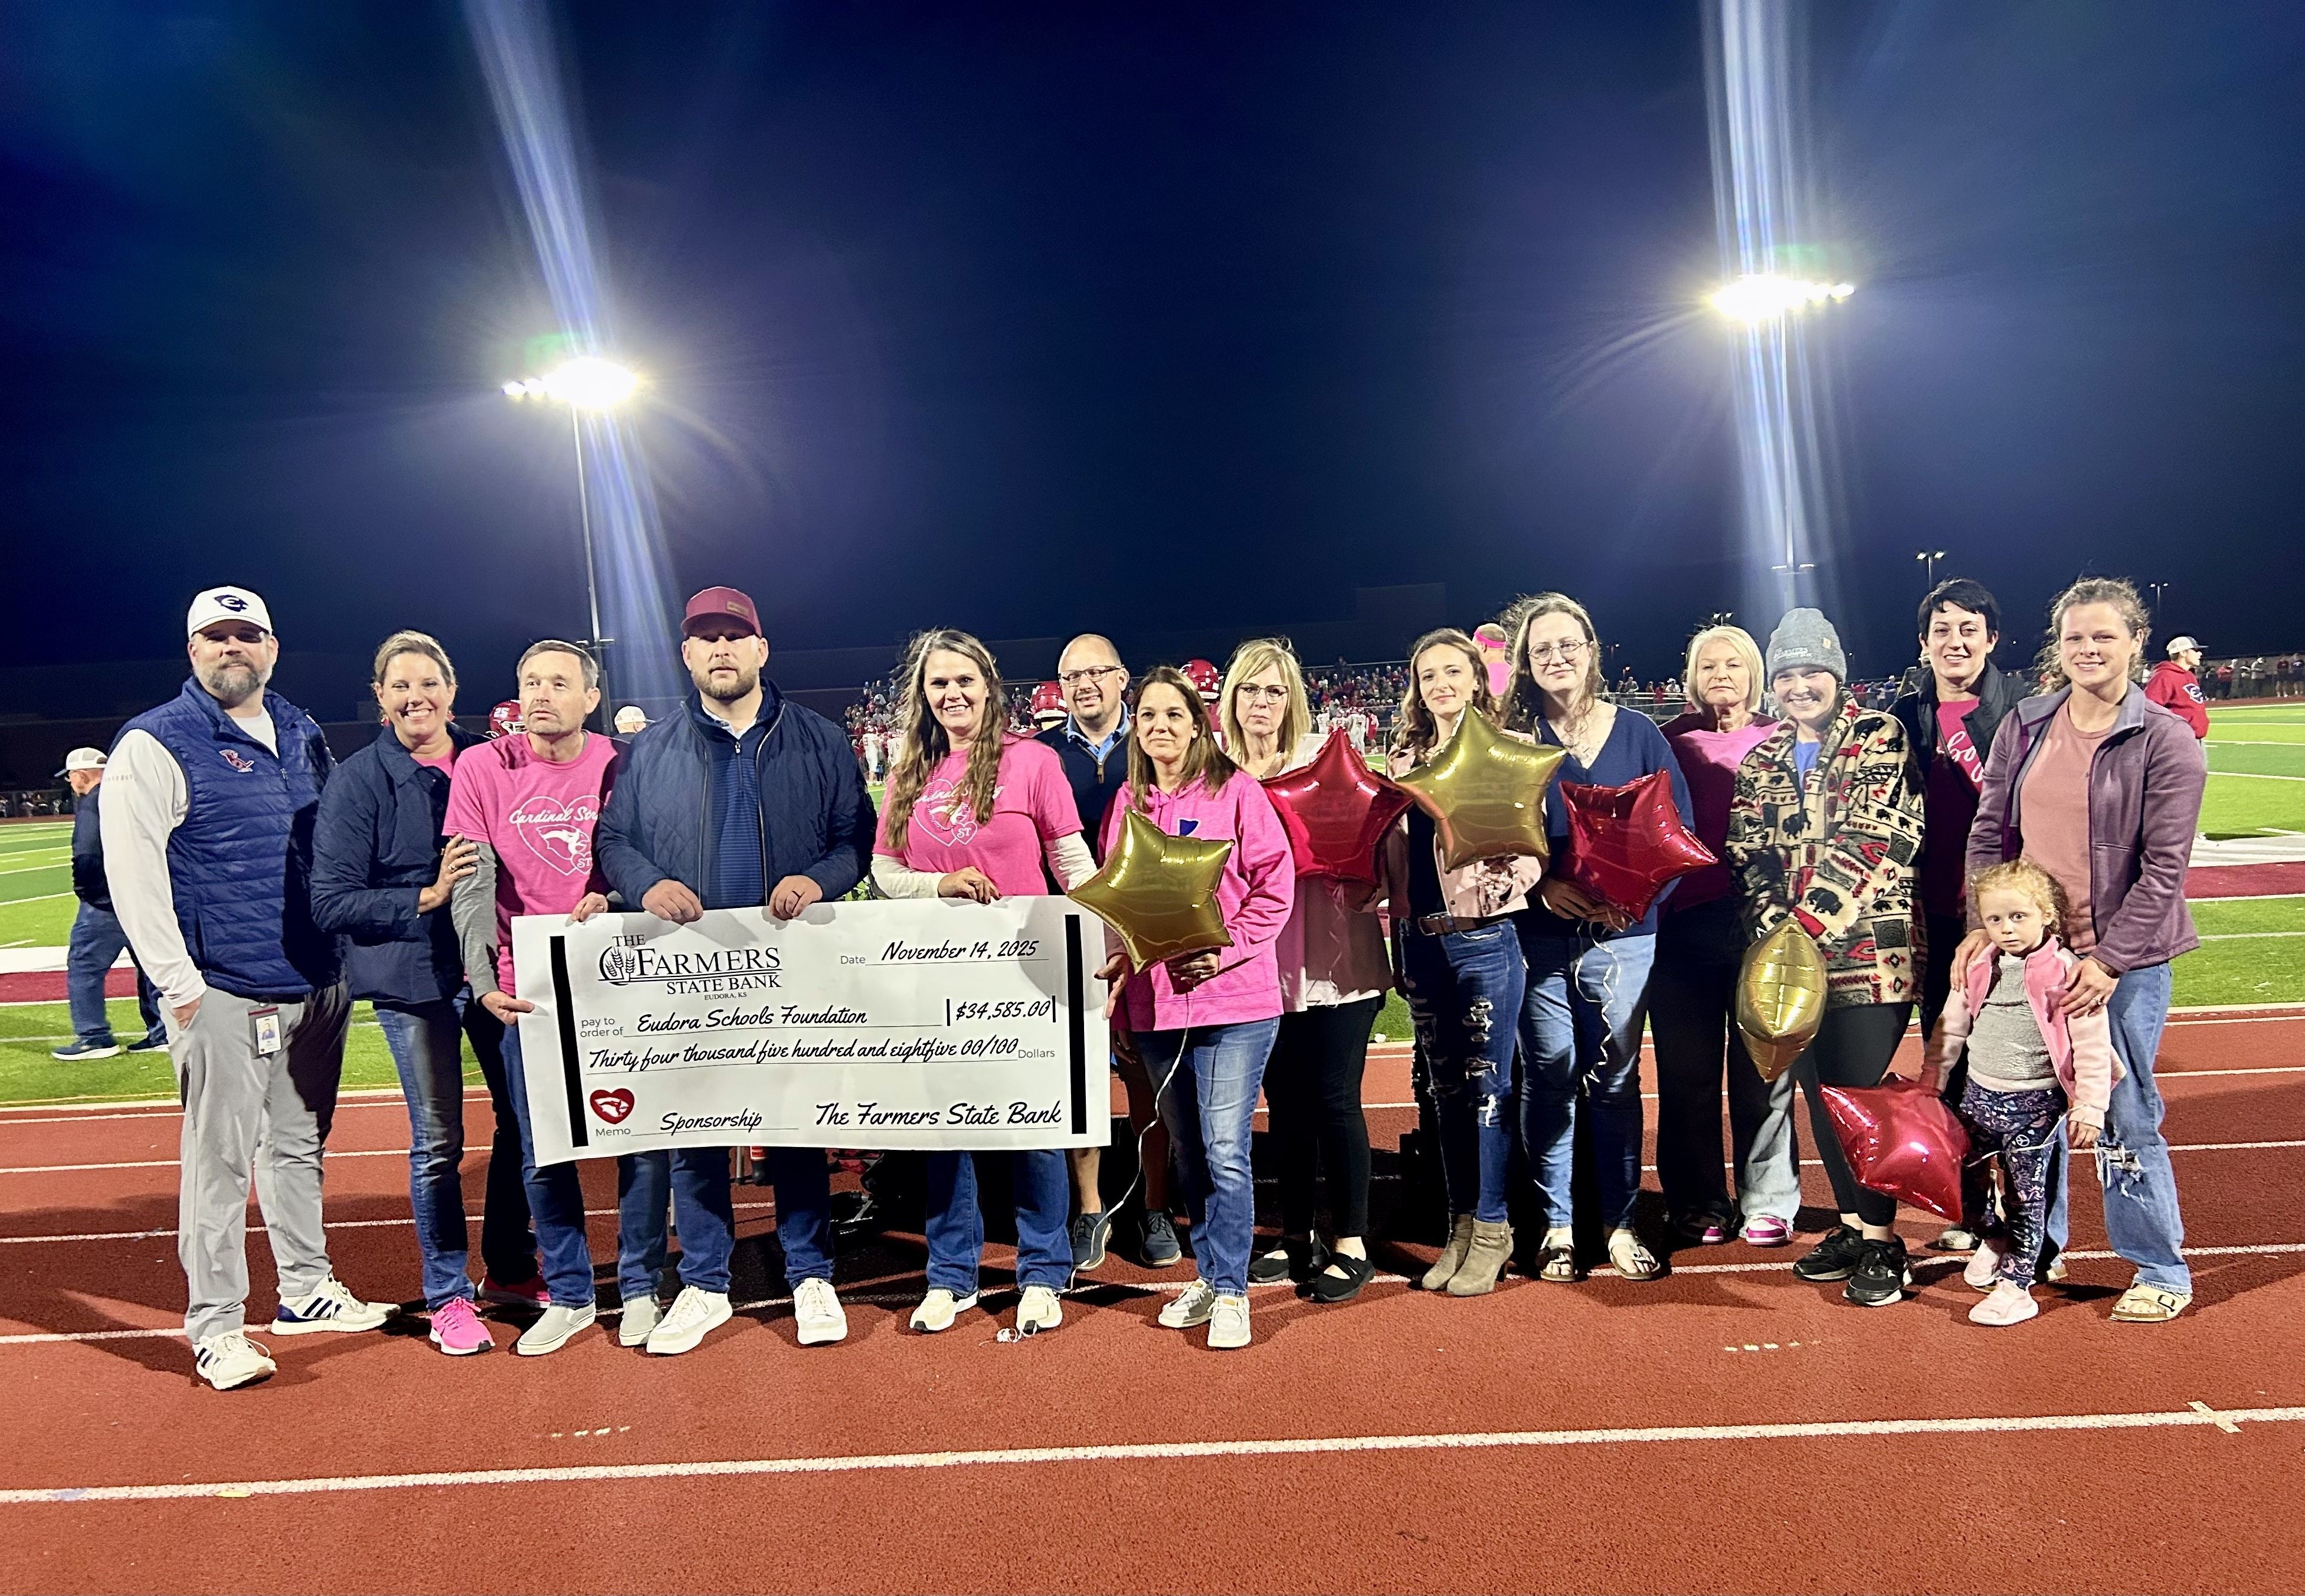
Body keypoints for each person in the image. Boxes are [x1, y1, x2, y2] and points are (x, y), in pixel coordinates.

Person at [103, 586, 390, 1391]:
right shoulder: (156, 742)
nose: (233, 648)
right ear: (192, 650)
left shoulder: (299, 729)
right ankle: (218, 1328)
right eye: (216, 637)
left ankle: (304, 1290)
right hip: (223, 985)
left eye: (248, 635)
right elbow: (134, 873)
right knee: (220, 1164)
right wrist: (179, 986)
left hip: (313, 978)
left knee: (298, 1147)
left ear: (272, 646)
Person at [592, 585, 876, 1352]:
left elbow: (855, 839)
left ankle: (811, 1273)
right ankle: (707, 1282)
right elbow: (613, 841)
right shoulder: (649, 749)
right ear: (686, 655)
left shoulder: (817, 738)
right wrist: (646, 883)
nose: (720, 649)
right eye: (705, 638)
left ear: (761, 648)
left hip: (791, 962)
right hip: (693, 972)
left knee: (796, 1124)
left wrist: (818, 879)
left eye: (734, 635)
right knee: (697, 1128)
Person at [1961, 576, 2206, 1323]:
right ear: (2058, 646)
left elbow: (2165, 870)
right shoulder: (2028, 724)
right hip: (2031, 955)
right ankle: (2039, 1246)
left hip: (2121, 963)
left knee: (2122, 1111)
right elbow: (1990, 830)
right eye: (2075, 637)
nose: (2089, 649)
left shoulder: (2164, 739)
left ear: (2136, 641)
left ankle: (2159, 1264)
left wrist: (2106, 962)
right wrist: (1984, 921)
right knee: (2031, 1110)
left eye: (2105, 636)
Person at [312, 631, 541, 1358]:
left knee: (523, 1123)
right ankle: (447, 1292)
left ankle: (509, 1265)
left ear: (451, 687)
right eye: (399, 685)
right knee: (439, 1142)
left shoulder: (491, 759)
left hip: (493, 971)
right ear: (380, 696)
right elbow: (330, 899)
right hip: (414, 980)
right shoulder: (356, 780)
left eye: (428, 682)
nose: (417, 697)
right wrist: (428, 894)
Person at [869, 630, 1095, 1335]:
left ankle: (1042, 1269)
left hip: (1027, 972)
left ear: (988, 684)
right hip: (939, 976)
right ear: (924, 694)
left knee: (1036, 1125)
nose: (953, 694)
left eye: (964, 679)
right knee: (947, 1128)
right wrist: (940, 883)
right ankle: (951, 1273)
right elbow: (884, 870)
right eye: (939, 683)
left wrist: (1097, 939)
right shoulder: (912, 769)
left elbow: (1071, 858)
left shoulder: (1032, 761)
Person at [1726, 607, 1926, 1308]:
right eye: (1787, 673)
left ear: (1837, 676)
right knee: (1819, 1100)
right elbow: (1747, 853)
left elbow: (1882, 838)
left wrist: (1802, 927)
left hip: (1872, 955)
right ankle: (1848, 1224)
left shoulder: (1880, 736)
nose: (1800, 684)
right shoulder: (1762, 757)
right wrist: (1775, 923)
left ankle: (1884, 1241)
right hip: (1792, 963)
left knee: (1861, 1099)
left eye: (1813, 671)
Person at [444, 640, 635, 1356]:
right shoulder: (482, 766)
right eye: (530, 682)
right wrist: (484, 980)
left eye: (560, 681)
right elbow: (468, 879)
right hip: (525, 986)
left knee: (639, 1136)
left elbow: (644, 855)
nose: (542, 694)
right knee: (539, 1143)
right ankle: (574, 1290)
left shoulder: (623, 761)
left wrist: (611, 895)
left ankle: (643, 1282)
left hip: (614, 972)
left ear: (592, 697)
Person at [1499, 595, 1692, 1284]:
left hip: (1625, 937)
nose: (1556, 658)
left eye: (1568, 644)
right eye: (1541, 648)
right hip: (1540, 935)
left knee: (1613, 1081)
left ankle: (1618, 1222)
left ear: (1592, 649)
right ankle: (1556, 1226)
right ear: (1525, 661)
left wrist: (1635, 902)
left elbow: (1678, 835)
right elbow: (1494, 845)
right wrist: (1541, 888)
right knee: (1549, 1079)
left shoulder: (1639, 732)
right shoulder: (1513, 743)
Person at [1101, 666, 1294, 1348]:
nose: (1159, 727)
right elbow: (1118, 908)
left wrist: (1227, 950)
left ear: (1197, 722)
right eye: (1147, 716)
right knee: (1187, 1149)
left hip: (1236, 1002)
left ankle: (1234, 1290)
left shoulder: (1236, 791)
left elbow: (1276, 885)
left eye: (1173, 715)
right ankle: (1211, 1274)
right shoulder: (1127, 800)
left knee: (1225, 1148)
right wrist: (1122, 997)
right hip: (1158, 1010)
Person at [1225, 640, 1389, 1305]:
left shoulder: (1327, 761)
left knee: (1335, 1098)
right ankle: (1295, 1233)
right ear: (1230, 698)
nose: (1261, 703)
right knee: (1284, 1106)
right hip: (1256, 962)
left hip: (1334, 954)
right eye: (1249, 690)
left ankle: (1350, 1239)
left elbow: (1378, 838)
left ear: (1294, 697)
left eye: (1274, 690)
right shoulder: (1217, 771)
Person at [1383, 630, 1543, 1297]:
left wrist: (1493, 896)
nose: (1441, 684)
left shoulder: (1507, 751)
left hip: (1484, 939)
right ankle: (1459, 1223)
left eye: (1453, 671)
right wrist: (1393, 928)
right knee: (1444, 1092)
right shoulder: (1401, 760)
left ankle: (1495, 1226)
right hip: (1422, 938)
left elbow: (1534, 845)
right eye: (1428, 675)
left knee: (1488, 1089)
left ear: (1479, 678)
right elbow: (1392, 856)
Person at [1886, 578, 2031, 1249]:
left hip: (2000, 927)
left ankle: (2025, 1223)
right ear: (1923, 643)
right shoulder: (1902, 713)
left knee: (2010, 1076)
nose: (1956, 641)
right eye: (1941, 630)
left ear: (1992, 639)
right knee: (1949, 1068)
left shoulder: (2021, 716)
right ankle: (1973, 1212)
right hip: (1928, 922)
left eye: (1969, 628)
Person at [1921, 860, 2115, 1327]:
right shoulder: (1979, 965)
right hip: (1978, 1098)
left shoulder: (2068, 972)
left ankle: (2016, 1284)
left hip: (2035, 1105)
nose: (2006, 929)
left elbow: (2091, 1044)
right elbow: (1951, 1026)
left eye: (2018, 917)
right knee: (1966, 1190)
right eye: (1994, 919)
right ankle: (1992, 1238)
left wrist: (2090, 1105)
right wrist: (1932, 1080)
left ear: (2046, 914)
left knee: (2027, 1196)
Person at [1038, 633, 1179, 1271]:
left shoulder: (1153, 740)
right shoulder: (1038, 753)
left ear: (1123, 677)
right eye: (1072, 675)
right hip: (1066, 938)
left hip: (1143, 936)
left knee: (1150, 1082)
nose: (1085, 684)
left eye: (1097, 672)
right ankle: (1090, 1207)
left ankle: (1154, 1204)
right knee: (1081, 1082)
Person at [1649, 625, 1793, 1247]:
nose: (1722, 675)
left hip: (1763, 926)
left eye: (1734, 664)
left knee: (1765, 1068)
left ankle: (1768, 1198)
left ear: (1754, 671)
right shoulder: (1669, 741)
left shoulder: (1782, 736)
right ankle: (1699, 1199)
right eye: (1709, 665)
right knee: (1688, 1072)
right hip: (1683, 923)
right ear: (1693, 675)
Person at [52, 748, 168, 1060]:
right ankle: (162, 1032)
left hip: (108, 902)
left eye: (71, 777)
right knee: (150, 965)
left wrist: (88, 892)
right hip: (146, 896)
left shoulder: (93, 804)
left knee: (85, 967)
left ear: (80, 774)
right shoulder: (133, 796)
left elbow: (88, 853)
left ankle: (94, 1037)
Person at [2143, 636, 2209, 739]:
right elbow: (2149, 708)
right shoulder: (2164, 675)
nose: (2200, 654)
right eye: (2195, 650)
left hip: (2195, 738)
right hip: (2178, 739)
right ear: (2183, 653)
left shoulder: (2190, 675)